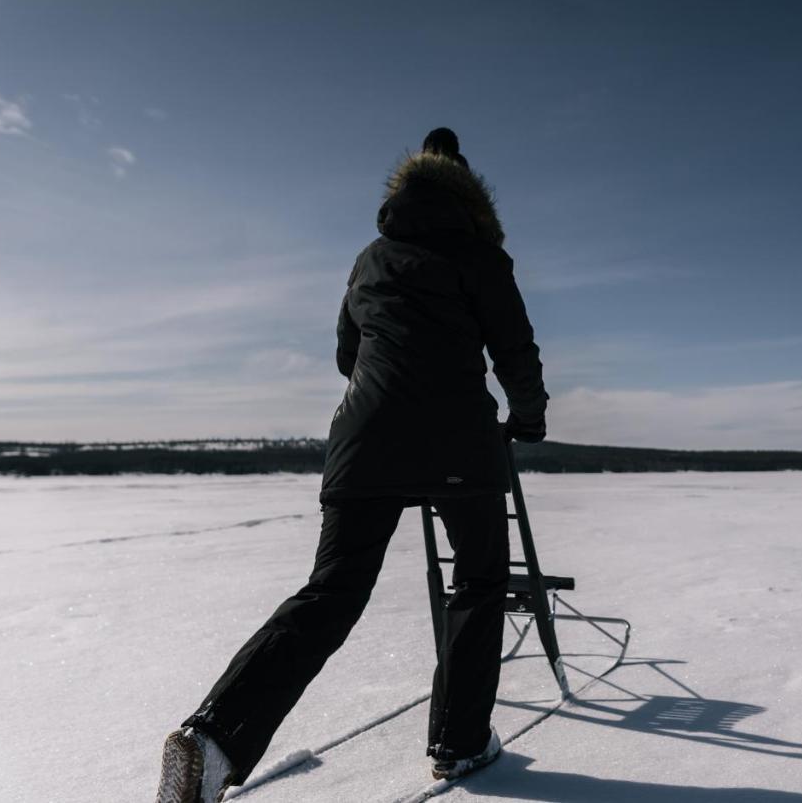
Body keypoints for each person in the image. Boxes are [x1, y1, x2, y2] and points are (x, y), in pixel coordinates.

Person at [155, 127, 549, 803]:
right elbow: (514, 345)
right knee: (481, 580)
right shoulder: (480, 253)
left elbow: (347, 353)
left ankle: (213, 740)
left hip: (362, 441)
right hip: (458, 439)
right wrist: (530, 416)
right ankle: (458, 741)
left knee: (332, 589)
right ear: (470, 193)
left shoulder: (370, 258)